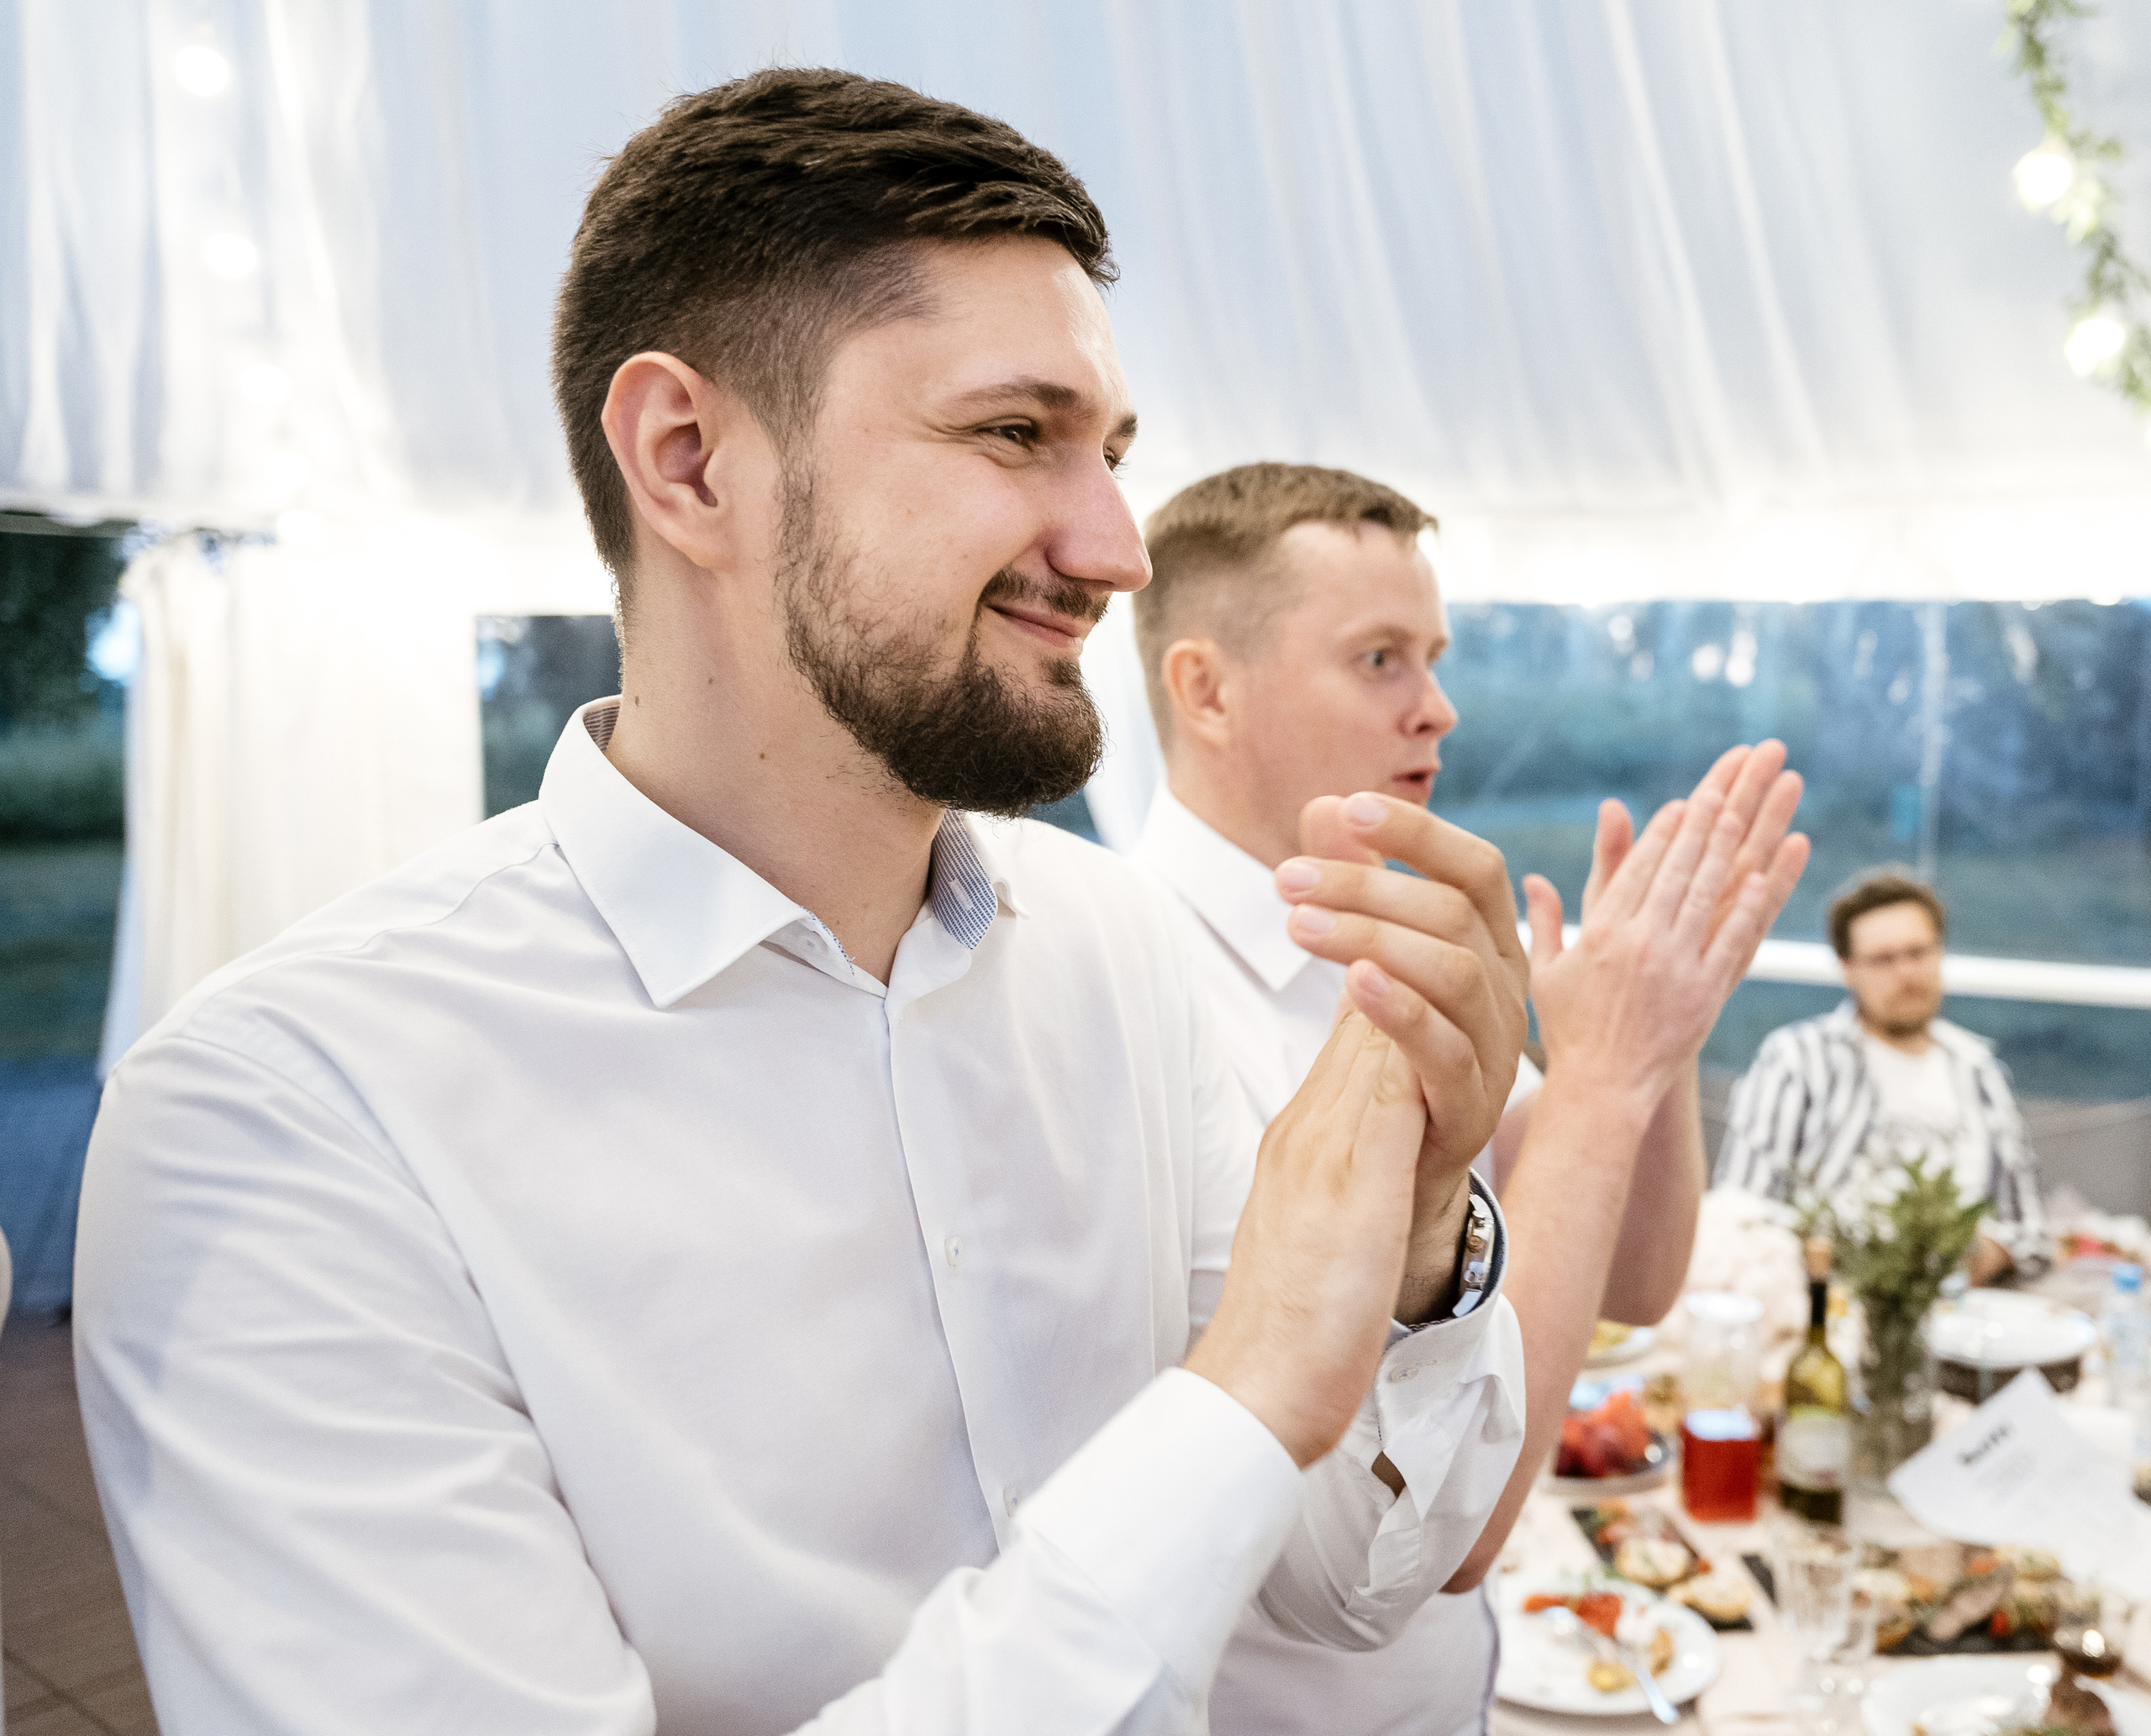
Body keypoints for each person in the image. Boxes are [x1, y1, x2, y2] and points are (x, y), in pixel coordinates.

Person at [76, 72, 1549, 1736]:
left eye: (1111, 453)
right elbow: (1246, 1433)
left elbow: (1340, 1584)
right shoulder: (283, 1122)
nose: (1117, 545)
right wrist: (1247, 1386)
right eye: (1015, 434)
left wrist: (1423, 1244)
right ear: (691, 463)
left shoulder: (1115, 956)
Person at [1128, 462, 1810, 1736]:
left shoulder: (1385, 931)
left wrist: (1653, 1039)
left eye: (1432, 657)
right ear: (1205, 687)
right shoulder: (1140, 989)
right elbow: (1458, 1528)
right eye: (1379, 658)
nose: (1437, 709)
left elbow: (1632, 1274)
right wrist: (1602, 1074)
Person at [1716, 869, 2048, 1282]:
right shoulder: (1797, 1059)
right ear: (1847, 968)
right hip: (1834, 1302)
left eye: (1918, 953)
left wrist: (1983, 1255)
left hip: (1960, 1312)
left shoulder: (1980, 1070)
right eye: (1883, 960)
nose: (1905, 974)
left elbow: (2030, 1233)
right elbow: (1740, 1211)